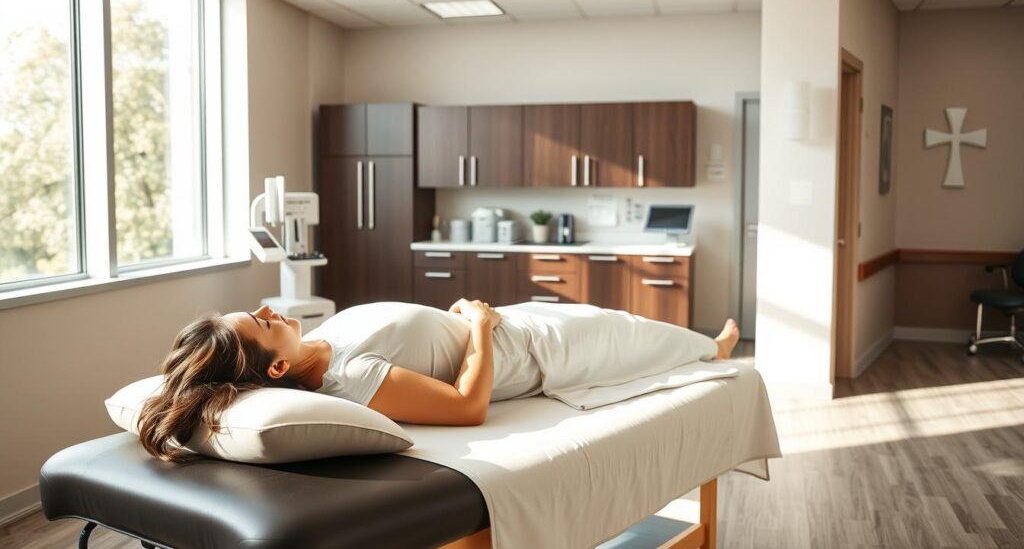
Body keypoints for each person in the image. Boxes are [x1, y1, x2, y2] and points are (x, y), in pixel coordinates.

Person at [138, 299, 740, 462]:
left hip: (511, 325)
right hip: (531, 351)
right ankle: (711, 349)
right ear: (275, 368)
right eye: (265, 323)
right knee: (629, 333)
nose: (271, 310)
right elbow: (466, 406)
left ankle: (707, 344)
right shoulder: (349, 376)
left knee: (617, 321)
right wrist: (478, 326)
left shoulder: (323, 345)